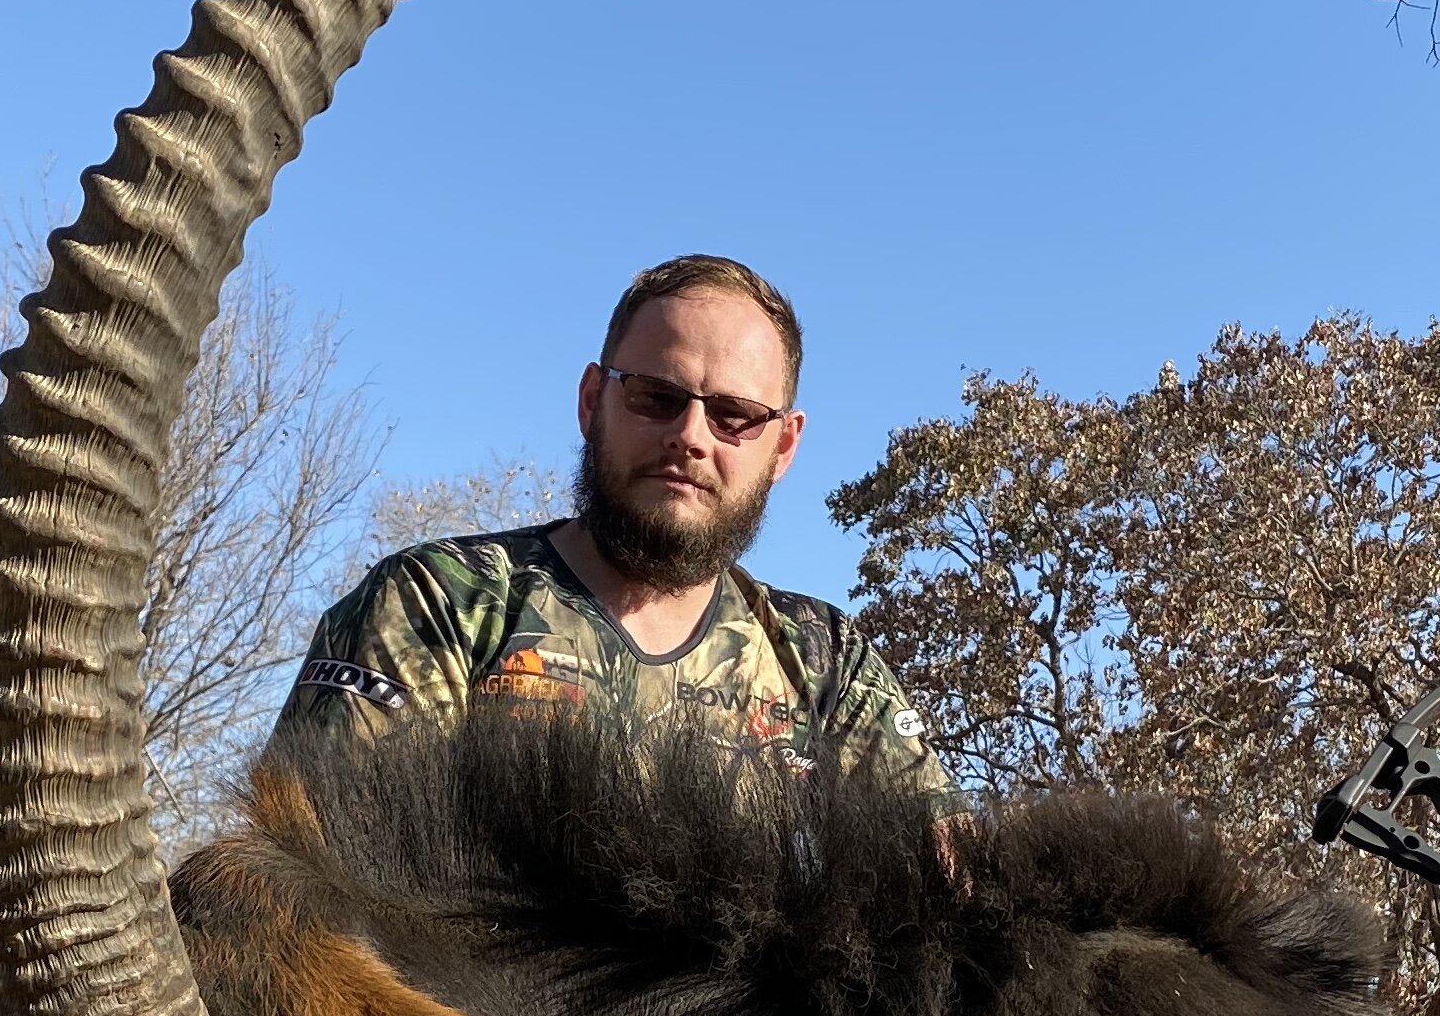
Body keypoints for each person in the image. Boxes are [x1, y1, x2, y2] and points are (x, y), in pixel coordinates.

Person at [272, 253, 954, 802]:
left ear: (782, 447)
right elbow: (311, 895)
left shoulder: (827, 662)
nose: (690, 436)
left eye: (734, 415)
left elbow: (952, 894)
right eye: (656, 397)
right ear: (593, 401)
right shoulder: (441, 604)